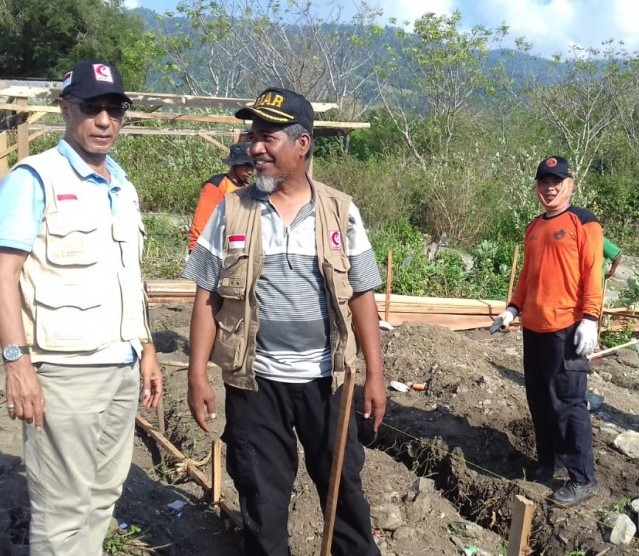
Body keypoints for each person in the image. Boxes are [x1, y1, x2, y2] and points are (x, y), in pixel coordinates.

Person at [183, 86, 386, 555]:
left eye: (268, 137)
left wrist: (374, 375)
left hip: (327, 383)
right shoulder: (231, 209)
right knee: (262, 501)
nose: (255, 147)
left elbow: (361, 296)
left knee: (345, 497)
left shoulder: (340, 210)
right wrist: (196, 374)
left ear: (302, 144)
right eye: (254, 136)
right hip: (256, 385)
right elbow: (206, 297)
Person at [0, 60, 162, 555]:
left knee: (101, 497)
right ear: (66, 108)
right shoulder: (34, 179)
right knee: (62, 510)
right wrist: (16, 361)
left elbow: (128, 277)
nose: (105, 121)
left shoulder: (122, 186)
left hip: (120, 366)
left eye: (115, 110)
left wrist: (148, 347)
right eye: (93, 109)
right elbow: (3, 273)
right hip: (64, 372)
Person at [489, 155, 603, 507]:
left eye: (556, 181)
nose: (549, 187)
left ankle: (582, 478)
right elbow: (527, 275)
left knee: (568, 404)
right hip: (533, 327)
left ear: (570, 184)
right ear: (537, 187)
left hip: (565, 329)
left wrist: (591, 317)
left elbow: (593, 271)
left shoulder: (584, 222)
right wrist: (512, 308)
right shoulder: (534, 227)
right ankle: (548, 462)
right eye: (543, 182)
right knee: (539, 400)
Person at [187, 141, 254, 252]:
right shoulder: (217, 184)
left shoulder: (247, 188)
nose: (250, 171)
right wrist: (194, 249)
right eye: (246, 165)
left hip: (236, 248)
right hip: (214, 246)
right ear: (235, 164)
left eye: (252, 166)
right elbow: (201, 220)